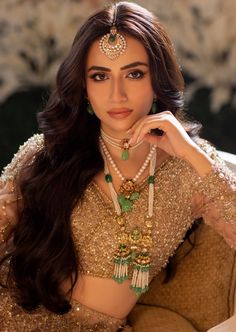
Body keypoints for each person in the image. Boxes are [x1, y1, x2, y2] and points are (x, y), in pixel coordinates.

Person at [0, 1, 235, 331]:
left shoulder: (190, 169)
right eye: (100, 76)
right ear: (84, 88)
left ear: (157, 80)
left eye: (134, 74)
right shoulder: (47, 153)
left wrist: (192, 154)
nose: (117, 94)